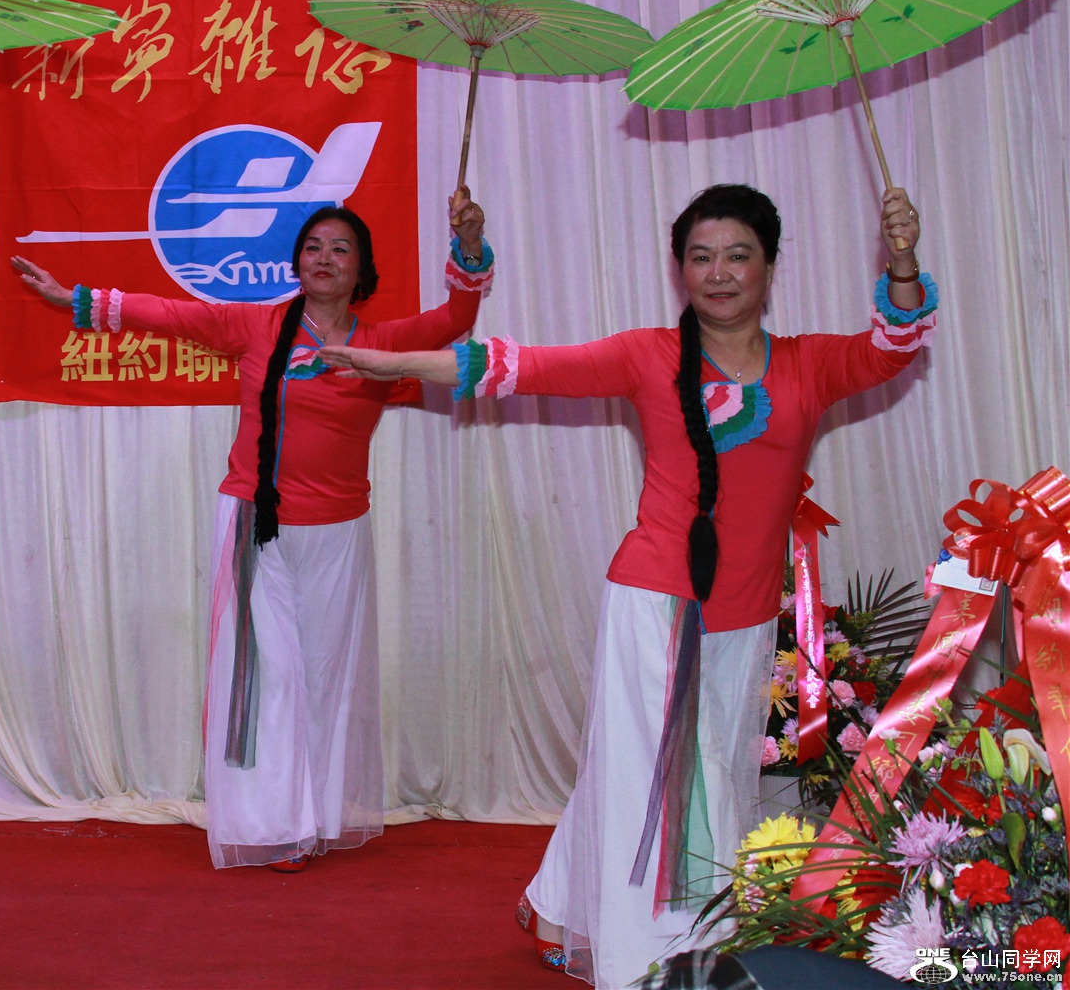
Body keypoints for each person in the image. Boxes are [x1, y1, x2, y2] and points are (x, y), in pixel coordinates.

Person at [320, 185, 936, 986]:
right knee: (670, 780)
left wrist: (901, 262)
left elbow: (894, 345)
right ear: (680, 270)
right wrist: (390, 362)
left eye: (738, 255)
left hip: (745, 611)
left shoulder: (809, 363)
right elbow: (517, 367)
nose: (719, 273)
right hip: (654, 601)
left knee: (673, 763)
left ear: (769, 266)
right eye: (701, 257)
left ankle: (557, 902)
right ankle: (660, 956)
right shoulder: (649, 355)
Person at [12, 191, 494, 871]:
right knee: (270, 679)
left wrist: (469, 248)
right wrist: (79, 300)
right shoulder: (257, 325)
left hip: (339, 531)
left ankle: (316, 813)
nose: (324, 257)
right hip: (254, 525)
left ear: (361, 271)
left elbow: (457, 318)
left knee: (324, 677)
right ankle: (275, 826)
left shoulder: (381, 343)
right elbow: (171, 314)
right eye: (313, 247)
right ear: (296, 263)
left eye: (341, 249)